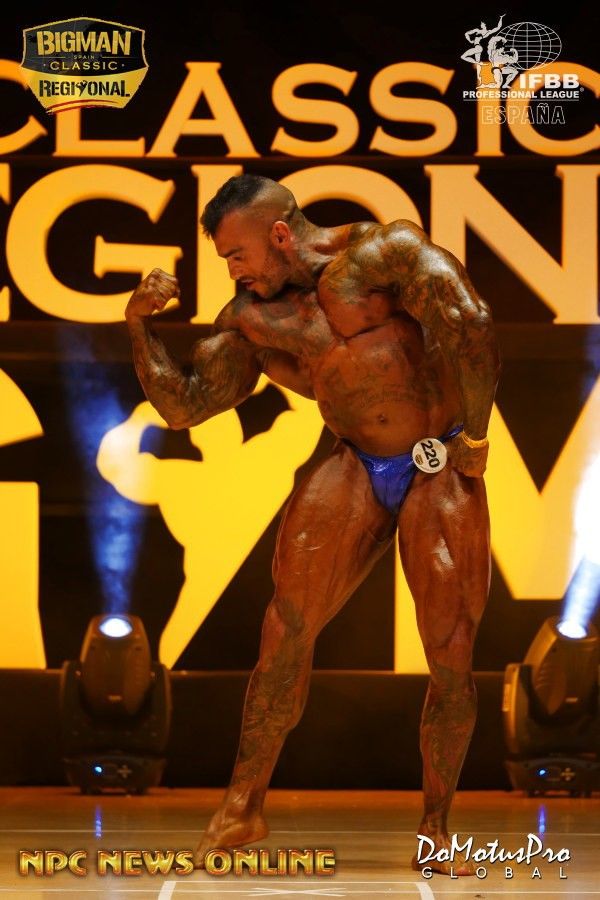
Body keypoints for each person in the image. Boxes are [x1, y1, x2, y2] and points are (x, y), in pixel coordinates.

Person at [124, 174, 500, 876]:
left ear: (279, 234)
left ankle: (436, 830)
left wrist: (474, 436)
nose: (233, 272)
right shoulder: (252, 318)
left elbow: (470, 322)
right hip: (355, 460)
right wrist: (138, 325)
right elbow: (184, 407)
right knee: (285, 628)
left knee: (450, 653)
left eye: (237, 255)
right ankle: (241, 808)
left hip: (439, 457)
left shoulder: (384, 254)